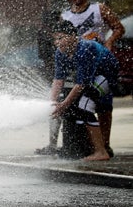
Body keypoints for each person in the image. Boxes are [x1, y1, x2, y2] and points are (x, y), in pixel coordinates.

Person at [37, 0, 124, 157]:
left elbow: (118, 27)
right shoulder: (64, 20)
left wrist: (108, 42)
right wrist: (53, 102)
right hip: (78, 63)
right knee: (64, 100)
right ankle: (55, 144)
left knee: (97, 105)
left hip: (102, 68)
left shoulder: (98, 9)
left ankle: (103, 148)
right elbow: (58, 80)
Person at [48, 20, 118, 161]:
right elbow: (58, 80)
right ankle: (93, 147)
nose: (57, 42)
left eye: (61, 38)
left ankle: (101, 152)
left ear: (73, 36)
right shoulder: (60, 52)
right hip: (91, 77)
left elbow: (80, 85)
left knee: (85, 105)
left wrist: (63, 105)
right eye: (55, 39)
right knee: (79, 105)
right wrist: (53, 101)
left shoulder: (86, 48)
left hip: (106, 75)